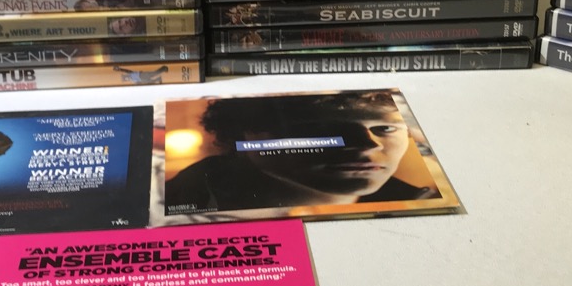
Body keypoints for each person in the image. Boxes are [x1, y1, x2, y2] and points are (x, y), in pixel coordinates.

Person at [164, 90, 439, 213]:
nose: (368, 144)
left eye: (385, 128)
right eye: (321, 127)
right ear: (242, 134)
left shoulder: (421, 200)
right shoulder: (176, 202)